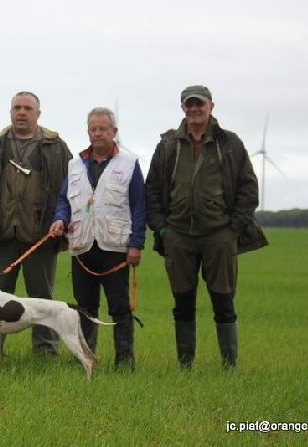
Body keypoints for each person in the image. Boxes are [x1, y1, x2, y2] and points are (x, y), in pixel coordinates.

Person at [145, 85, 268, 370]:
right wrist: (162, 229)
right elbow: (152, 190)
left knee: (223, 302)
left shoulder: (230, 144)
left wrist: (233, 230)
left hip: (219, 236)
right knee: (183, 303)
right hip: (178, 236)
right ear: (183, 109)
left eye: (199, 104)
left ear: (211, 106)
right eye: (188, 105)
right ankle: (185, 366)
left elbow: (249, 190)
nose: (194, 109)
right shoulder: (167, 145)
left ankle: (230, 366)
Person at [0, 91, 72, 355]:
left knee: (42, 300)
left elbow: (72, 190)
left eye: (27, 108)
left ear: (38, 114)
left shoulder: (56, 147)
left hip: (41, 238)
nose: (21, 112)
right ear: (10, 112)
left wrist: (65, 231)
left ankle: (46, 354)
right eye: (17, 108)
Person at [49, 107, 146, 370]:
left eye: (103, 128)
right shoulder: (75, 164)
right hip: (82, 245)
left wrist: (136, 244)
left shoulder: (129, 164)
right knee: (84, 308)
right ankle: (86, 360)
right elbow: (63, 199)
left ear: (114, 132)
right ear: (88, 132)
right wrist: (60, 219)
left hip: (115, 247)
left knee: (120, 307)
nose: (98, 133)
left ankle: (124, 362)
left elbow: (138, 206)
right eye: (93, 129)